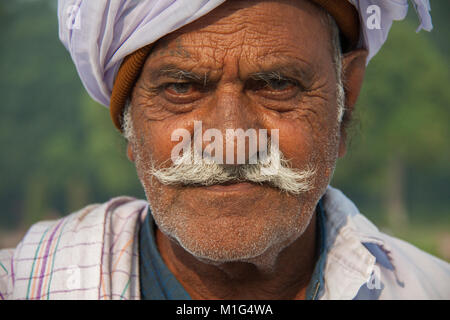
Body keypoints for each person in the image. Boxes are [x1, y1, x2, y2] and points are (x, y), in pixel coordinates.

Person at [0, 0, 448, 300]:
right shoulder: (25, 285)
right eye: (181, 88)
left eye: (276, 85)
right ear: (130, 123)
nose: (231, 144)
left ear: (345, 99)